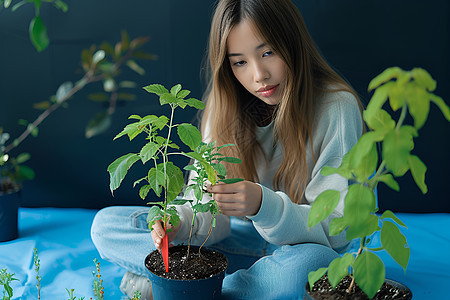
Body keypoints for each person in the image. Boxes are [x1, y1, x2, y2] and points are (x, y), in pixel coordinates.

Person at [91, 0, 364, 299]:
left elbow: (337, 231)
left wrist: (264, 206)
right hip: (234, 244)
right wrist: (179, 223)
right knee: (106, 225)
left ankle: (189, 289)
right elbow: (211, 216)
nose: (258, 75)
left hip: (299, 251)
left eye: (268, 52)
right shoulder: (224, 108)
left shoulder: (336, 107)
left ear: (293, 42)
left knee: (316, 264)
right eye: (240, 62)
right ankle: (205, 285)